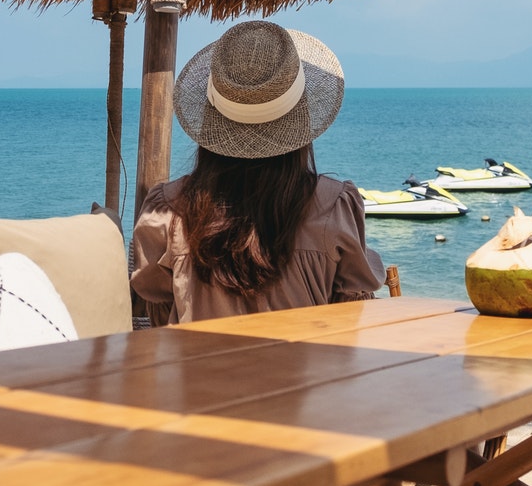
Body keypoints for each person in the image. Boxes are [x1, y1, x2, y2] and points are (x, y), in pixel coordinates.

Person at [131, 19, 384, 322]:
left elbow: (157, 304)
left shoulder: (169, 212)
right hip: (307, 369)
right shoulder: (333, 206)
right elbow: (353, 312)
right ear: (301, 121)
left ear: (211, 120)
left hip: (195, 368)